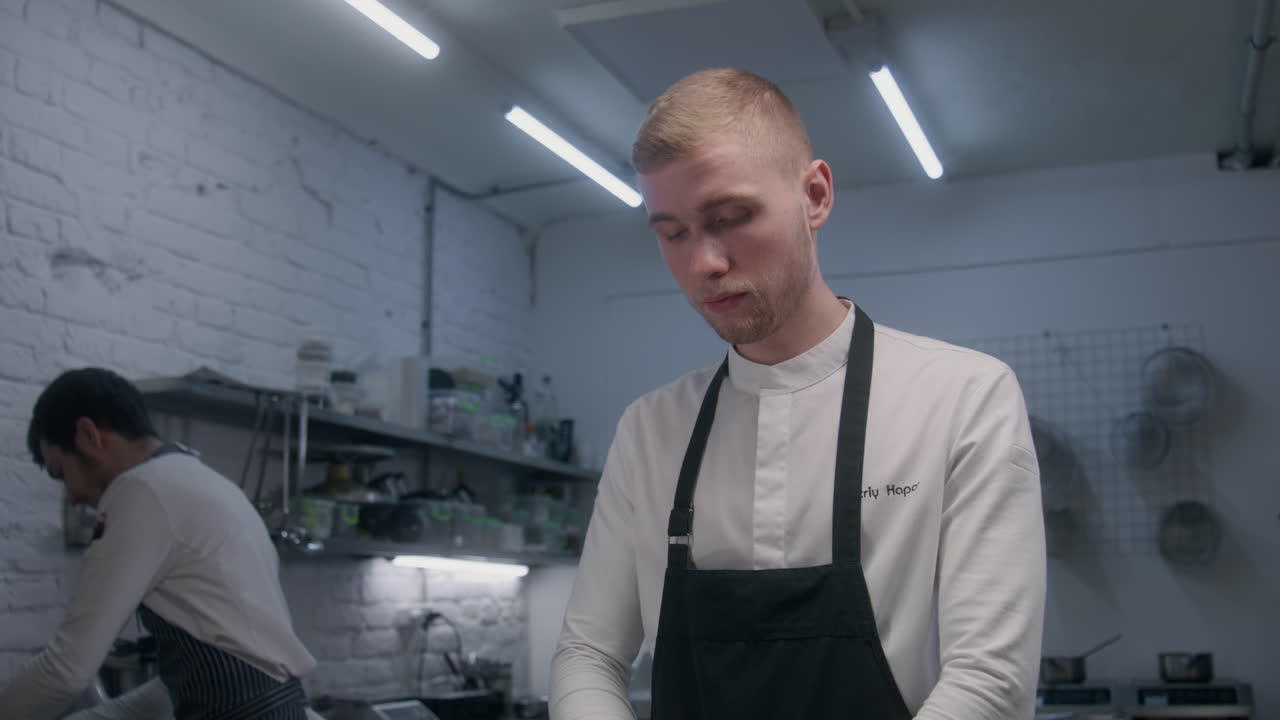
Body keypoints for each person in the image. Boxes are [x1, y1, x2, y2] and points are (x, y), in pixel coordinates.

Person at [549, 69, 1046, 719]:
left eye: (731, 218)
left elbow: (990, 679)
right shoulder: (652, 431)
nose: (704, 263)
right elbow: (587, 654)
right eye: (671, 233)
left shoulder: (961, 400)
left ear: (814, 195)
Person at [2, 367, 317, 719]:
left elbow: (65, 672)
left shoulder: (141, 492)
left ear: (88, 435)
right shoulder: (202, 483)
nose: (72, 496)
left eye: (62, 472)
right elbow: (193, 679)